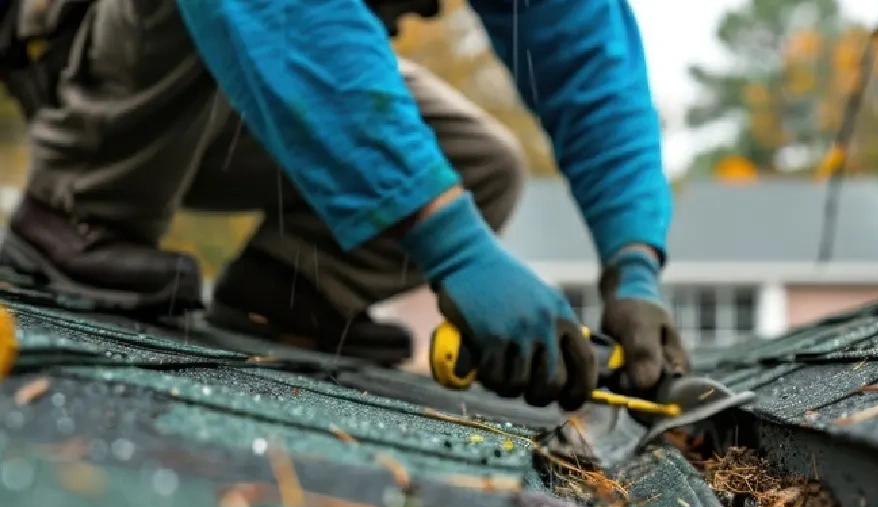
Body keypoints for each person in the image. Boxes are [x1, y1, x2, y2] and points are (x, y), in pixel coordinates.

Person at [0, 0, 687, 411]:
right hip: (84, 54)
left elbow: (588, 64)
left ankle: (289, 291)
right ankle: (79, 209)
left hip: (246, 72)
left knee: (483, 168)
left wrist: (633, 266)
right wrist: (456, 248)